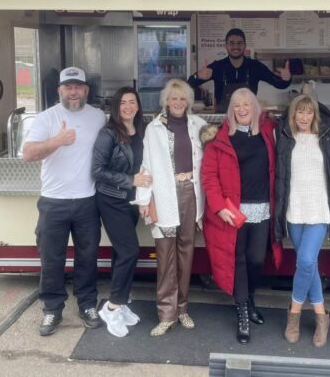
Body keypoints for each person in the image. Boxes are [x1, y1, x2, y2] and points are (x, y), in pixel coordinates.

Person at [22, 67, 106, 336]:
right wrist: (57, 141)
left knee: (87, 257)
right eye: (68, 87)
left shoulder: (98, 117)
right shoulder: (47, 118)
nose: (73, 92)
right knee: (51, 259)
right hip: (53, 202)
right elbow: (28, 154)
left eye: (78, 87)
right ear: (59, 90)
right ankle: (52, 309)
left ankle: (87, 304)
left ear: (86, 90)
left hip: (87, 201)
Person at [201, 88, 283, 344]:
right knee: (237, 260)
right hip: (233, 211)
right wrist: (218, 207)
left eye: (247, 104)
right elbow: (209, 177)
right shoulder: (220, 138)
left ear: (255, 107)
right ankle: (243, 311)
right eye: (237, 105)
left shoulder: (268, 131)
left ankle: (249, 298)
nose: (243, 109)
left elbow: (305, 116)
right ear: (231, 110)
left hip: (261, 208)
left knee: (256, 258)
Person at [132, 79, 207, 337]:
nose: (178, 103)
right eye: (173, 98)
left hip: (190, 193)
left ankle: (183, 309)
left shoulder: (198, 125)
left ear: (188, 102)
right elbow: (146, 165)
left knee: (187, 251)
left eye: (183, 98)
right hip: (165, 193)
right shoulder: (154, 129)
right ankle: (166, 314)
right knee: (166, 255)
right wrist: (143, 199)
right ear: (166, 101)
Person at [274, 94, 330, 347]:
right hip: (295, 209)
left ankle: (295, 314)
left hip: (319, 208)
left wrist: (310, 96)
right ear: (292, 115)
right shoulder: (285, 139)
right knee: (305, 265)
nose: (303, 117)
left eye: (308, 112)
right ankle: (322, 316)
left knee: (307, 260)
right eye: (298, 112)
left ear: (315, 115)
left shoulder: (326, 137)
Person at [91, 87, 152, 337]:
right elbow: (97, 171)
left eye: (132, 102)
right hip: (111, 200)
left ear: (138, 105)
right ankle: (112, 307)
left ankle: (122, 301)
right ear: (116, 107)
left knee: (121, 254)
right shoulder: (108, 134)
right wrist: (130, 180)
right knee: (129, 251)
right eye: (123, 102)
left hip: (132, 202)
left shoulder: (143, 129)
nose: (128, 106)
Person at [187, 28, 292, 111]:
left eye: (239, 43)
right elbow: (189, 84)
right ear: (226, 46)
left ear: (245, 46)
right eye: (231, 43)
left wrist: (287, 79)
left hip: (249, 120)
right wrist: (198, 76)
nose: (235, 47)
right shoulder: (217, 67)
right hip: (224, 120)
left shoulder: (255, 67)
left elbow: (279, 84)